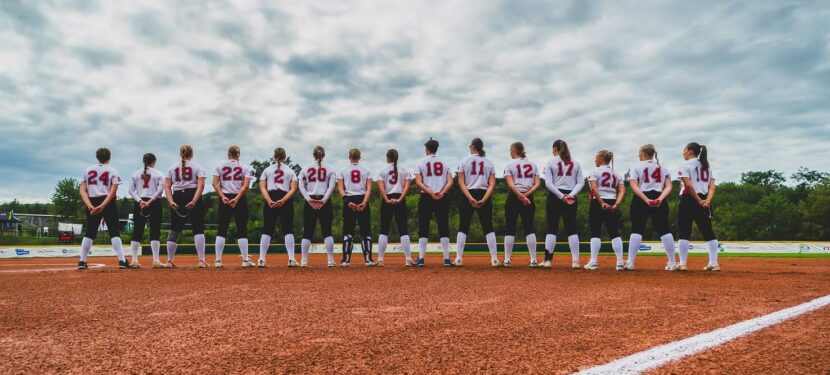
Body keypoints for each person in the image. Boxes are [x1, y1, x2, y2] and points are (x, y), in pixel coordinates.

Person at [625, 145, 676, 271]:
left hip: (641, 198)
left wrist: (646, 199)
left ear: (643, 154)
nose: (638, 155)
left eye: (639, 153)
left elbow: (634, 186)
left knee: (637, 229)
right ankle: (672, 262)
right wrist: (660, 198)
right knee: (664, 229)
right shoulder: (663, 168)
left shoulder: (636, 167)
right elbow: (669, 186)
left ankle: (630, 262)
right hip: (659, 197)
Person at [77, 148, 127, 269]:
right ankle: (122, 261)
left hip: (92, 200)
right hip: (108, 201)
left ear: (97, 157)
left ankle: (82, 261)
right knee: (114, 231)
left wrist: (90, 205)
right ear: (109, 158)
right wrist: (103, 205)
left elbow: (82, 190)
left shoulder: (88, 170)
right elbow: (113, 191)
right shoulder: (113, 171)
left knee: (90, 232)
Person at [455, 138, 499, 267]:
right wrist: (484, 199)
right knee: (488, 226)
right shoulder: (489, 163)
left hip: (468, 193)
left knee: (463, 226)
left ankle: (458, 258)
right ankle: (494, 259)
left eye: (470, 146)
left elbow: (461, 182)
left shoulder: (464, 161)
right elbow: (492, 184)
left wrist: (469, 197)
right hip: (484, 193)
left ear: (473, 147)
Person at [676, 142, 720, 271]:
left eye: (684, 150)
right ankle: (714, 263)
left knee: (684, 231)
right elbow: (712, 186)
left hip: (689, 199)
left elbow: (689, 186)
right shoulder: (706, 166)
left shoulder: (684, 165)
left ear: (690, 151)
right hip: (705, 199)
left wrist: (698, 200)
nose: (683, 153)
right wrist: (706, 200)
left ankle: (683, 263)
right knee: (708, 232)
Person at [542, 140, 584, 269]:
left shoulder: (550, 162)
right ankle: (576, 261)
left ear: (555, 149)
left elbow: (549, 184)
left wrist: (561, 196)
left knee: (552, 229)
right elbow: (581, 183)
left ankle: (548, 261)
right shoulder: (576, 163)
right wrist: (570, 195)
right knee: (571, 229)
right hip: (571, 197)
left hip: (555, 196)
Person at [164, 145, 207, 268]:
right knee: (198, 228)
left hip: (177, 196)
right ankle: (201, 261)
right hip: (192, 194)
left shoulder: (172, 167)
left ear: (180, 154)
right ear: (192, 155)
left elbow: (166, 186)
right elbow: (201, 185)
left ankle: (169, 261)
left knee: (175, 229)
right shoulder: (197, 167)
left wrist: (171, 201)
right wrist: (194, 200)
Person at [413, 138, 453, 267]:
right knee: (444, 226)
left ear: (427, 149)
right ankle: (446, 259)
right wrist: (441, 192)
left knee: (423, 226)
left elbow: (418, 182)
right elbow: (450, 181)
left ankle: (421, 259)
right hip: (442, 197)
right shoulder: (444, 163)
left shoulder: (421, 162)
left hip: (426, 197)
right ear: (436, 148)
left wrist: (430, 192)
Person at [212, 145, 254, 268]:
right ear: (238, 155)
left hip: (224, 198)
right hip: (239, 199)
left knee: (222, 229)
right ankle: (245, 260)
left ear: (228, 154)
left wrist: (222, 196)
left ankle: (218, 261)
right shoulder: (245, 167)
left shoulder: (219, 166)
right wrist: (236, 198)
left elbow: (215, 183)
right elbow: (245, 186)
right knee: (242, 229)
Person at [258, 147, 299, 267]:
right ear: (285, 157)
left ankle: (261, 259)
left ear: (274, 156)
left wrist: (269, 200)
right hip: (284, 197)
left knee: (267, 228)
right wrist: (283, 200)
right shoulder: (290, 171)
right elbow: (294, 189)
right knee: (288, 229)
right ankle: (291, 259)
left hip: (270, 196)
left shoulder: (267, 170)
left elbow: (262, 187)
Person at [502, 142, 541, 267]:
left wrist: (520, 195)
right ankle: (533, 259)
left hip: (514, 197)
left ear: (514, 151)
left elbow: (510, 184)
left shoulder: (510, 165)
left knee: (510, 228)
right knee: (529, 228)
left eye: (510, 150)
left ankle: (507, 260)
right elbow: (537, 184)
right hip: (528, 197)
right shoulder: (533, 165)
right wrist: (526, 195)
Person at [585, 150, 626, 271]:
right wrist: (616, 204)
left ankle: (593, 262)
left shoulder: (594, 172)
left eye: (596, 158)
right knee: (614, 232)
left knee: (595, 232)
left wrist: (601, 202)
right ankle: (619, 262)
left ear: (602, 158)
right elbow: (622, 191)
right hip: (612, 201)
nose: (595, 160)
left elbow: (594, 188)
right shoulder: (616, 174)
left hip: (598, 203)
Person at [298, 146, 337, 267]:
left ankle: (304, 260)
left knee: (307, 232)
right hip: (324, 202)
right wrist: (324, 200)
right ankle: (330, 260)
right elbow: (331, 187)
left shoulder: (305, 169)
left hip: (310, 201)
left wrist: (309, 200)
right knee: (327, 231)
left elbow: (301, 186)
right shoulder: (330, 169)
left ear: (313, 155)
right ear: (323, 155)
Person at [376, 149, 415, 267]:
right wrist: (400, 198)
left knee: (384, 229)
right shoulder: (404, 171)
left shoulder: (382, 171)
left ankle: (380, 259)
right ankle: (408, 259)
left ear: (387, 158)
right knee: (403, 229)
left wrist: (387, 199)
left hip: (387, 198)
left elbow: (381, 188)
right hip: (400, 199)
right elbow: (407, 187)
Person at [336, 149, 375, 267]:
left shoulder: (343, 171)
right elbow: (369, 189)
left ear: (349, 157)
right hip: (362, 199)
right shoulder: (366, 170)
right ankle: (368, 260)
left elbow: (340, 189)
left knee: (348, 230)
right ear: (360, 157)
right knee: (366, 230)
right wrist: (364, 202)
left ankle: (346, 260)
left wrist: (347, 201)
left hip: (349, 200)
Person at [127, 153, 166, 268]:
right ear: (153, 161)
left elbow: (131, 191)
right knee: (155, 231)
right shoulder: (158, 174)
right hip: (154, 203)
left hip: (140, 203)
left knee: (137, 232)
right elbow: (160, 190)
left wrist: (140, 201)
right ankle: (156, 260)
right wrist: (150, 201)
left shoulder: (135, 174)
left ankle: (134, 260)